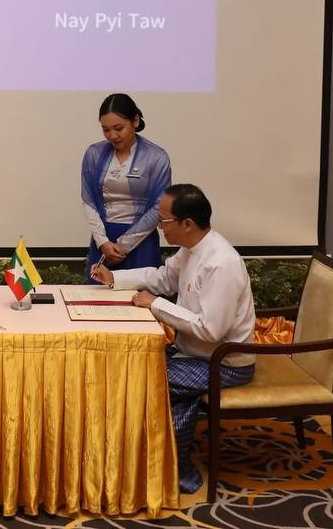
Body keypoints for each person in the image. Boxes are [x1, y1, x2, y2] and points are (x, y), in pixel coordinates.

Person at [91, 183, 255, 494]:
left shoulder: (222, 263)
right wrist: (115, 277)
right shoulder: (191, 250)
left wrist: (155, 304)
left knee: (143, 379)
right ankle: (169, 466)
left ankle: (165, 466)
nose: (160, 228)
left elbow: (211, 330)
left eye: (164, 221)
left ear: (187, 224)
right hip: (192, 353)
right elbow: (163, 278)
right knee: (133, 365)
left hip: (224, 364)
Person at [81, 93, 171, 282]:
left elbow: (159, 205)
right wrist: (103, 242)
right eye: (106, 130)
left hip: (141, 240)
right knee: (97, 295)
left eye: (118, 128)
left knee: (139, 294)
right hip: (104, 240)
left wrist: (124, 245)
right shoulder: (94, 153)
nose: (112, 136)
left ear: (135, 121)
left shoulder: (156, 157)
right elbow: (88, 200)